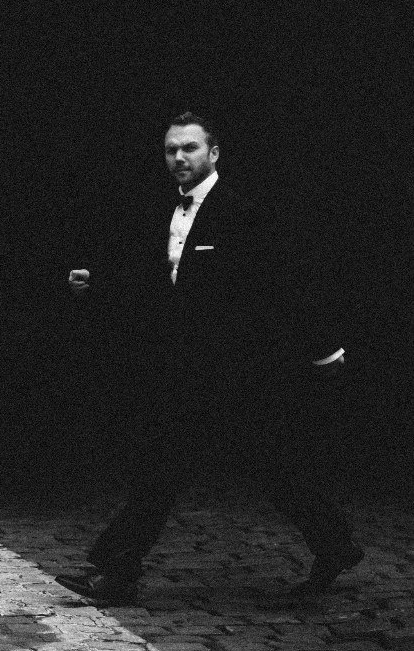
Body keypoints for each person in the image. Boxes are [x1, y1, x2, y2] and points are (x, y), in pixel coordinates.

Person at [55, 112, 363, 606]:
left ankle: (336, 544)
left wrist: (323, 347)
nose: (179, 158)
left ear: (213, 154)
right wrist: (99, 286)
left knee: (275, 468)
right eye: (171, 150)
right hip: (189, 373)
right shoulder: (166, 210)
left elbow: (283, 284)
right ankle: (115, 570)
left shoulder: (241, 210)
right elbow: (161, 287)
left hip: (242, 373)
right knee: (160, 470)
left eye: (190, 148)